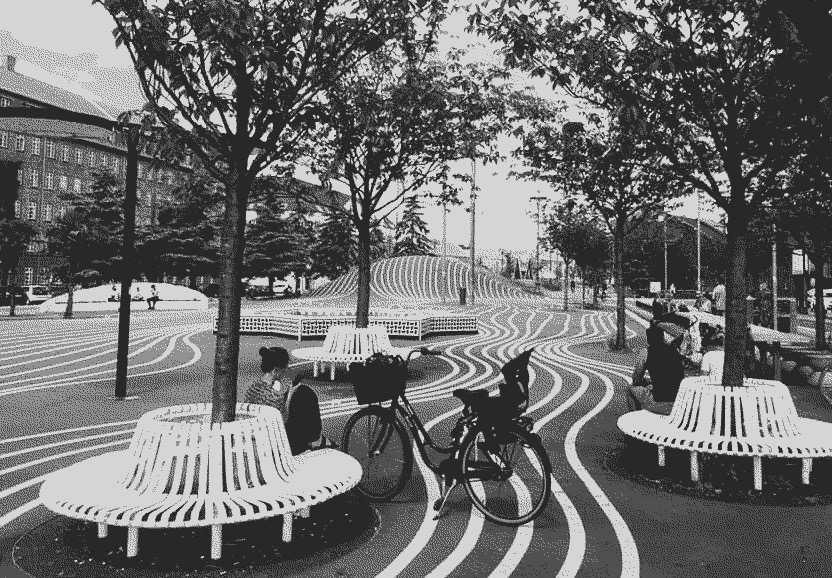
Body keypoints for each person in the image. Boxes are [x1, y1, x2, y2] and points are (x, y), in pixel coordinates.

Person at [244, 346, 336, 455]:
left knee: (301, 394)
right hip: (274, 442)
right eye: (284, 368)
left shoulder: (252, 388)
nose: (285, 371)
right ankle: (317, 440)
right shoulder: (273, 395)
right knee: (305, 393)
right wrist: (291, 394)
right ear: (276, 370)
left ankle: (317, 439)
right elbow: (283, 421)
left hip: (256, 435)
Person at [626, 321, 685, 414]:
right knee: (651, 386)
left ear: (648, 339)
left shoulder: (646, 352)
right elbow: (681, 333)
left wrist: (643, 382)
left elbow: (636, 379)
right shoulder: (675, 351)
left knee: (631, 390)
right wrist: (661, 324)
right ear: (663, 337)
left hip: (660, 403)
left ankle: (636, 419)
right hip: (679, 402)